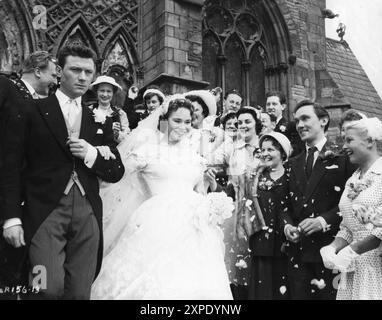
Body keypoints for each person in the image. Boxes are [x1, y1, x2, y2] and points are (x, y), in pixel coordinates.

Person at [0, 43, 125, 300]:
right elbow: (9, 165)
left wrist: (91, 154)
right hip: (43, 212)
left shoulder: (98, 120)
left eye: (88, 72)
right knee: (45, 287)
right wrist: (11, 217)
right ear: (60, 71)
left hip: (87, 214)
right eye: (75, 69)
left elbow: (116, 171)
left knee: (80, 293)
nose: (82, 77)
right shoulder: (30, 109)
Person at [91, 97, 233, 300]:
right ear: (164, 120)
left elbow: (199, 191)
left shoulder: (194, 155)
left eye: (187, 122)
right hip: (157, 222)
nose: (183, 127)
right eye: (177, 121)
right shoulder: (146, 151)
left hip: (196, 226)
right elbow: (117, 180)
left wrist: (210, 196)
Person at [279, 100, 355, 300]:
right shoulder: (292, 163)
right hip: (298, 252)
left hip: (330, 251)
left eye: (305, 118)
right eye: (297, 121)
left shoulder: (343, 157)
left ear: (323, 121)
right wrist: (287, 227)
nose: (300, 125)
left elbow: (352, 202)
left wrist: (323, 221)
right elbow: (284, 205)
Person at [320, 117, 382, 300]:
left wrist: (353, 250)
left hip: (376, 267)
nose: (344, 146)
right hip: (352, 270)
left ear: (370, 141)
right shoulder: (353, 179)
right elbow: (348, 226)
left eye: (349, 140)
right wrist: (332, 247)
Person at [208, 106, 262, 300]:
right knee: (238, 266)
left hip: (263, 210)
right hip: (239, 213)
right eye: (239, 123)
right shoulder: (233, 149)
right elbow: (211, 162)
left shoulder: (266, 146)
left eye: (248, 121)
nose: (243, 126)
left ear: (257, 123)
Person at [248, 132, 292, 300]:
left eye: (271, 149)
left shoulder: (291, 176)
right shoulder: (255, 176)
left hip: (285, 243)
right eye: (262, 149)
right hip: (261, 243)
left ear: (282, 153)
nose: (265, 153)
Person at [89, 75, 130, 144]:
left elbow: (126, 140)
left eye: (109, 91)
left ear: (113, 93)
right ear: (97, 91)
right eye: (102, 91)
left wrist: (116, 134)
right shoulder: (88, 110)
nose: (105, 95)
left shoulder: (120, 114)